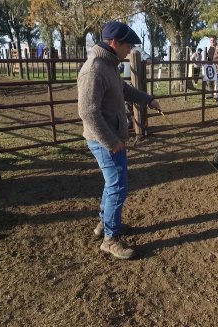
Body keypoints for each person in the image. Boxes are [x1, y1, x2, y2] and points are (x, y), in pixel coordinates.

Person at [77, 21, 162, 260]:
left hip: (111, 138)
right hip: (105, 140)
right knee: (118, 187)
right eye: (128, 45)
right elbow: (88, 112)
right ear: (114, 43)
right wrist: (111, 141)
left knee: (112, 185)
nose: (131, 50)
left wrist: (147, 100)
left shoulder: (109, 65)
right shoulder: (94, 69)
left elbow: (123, 89)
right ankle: (110, 239)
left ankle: (105, 224)